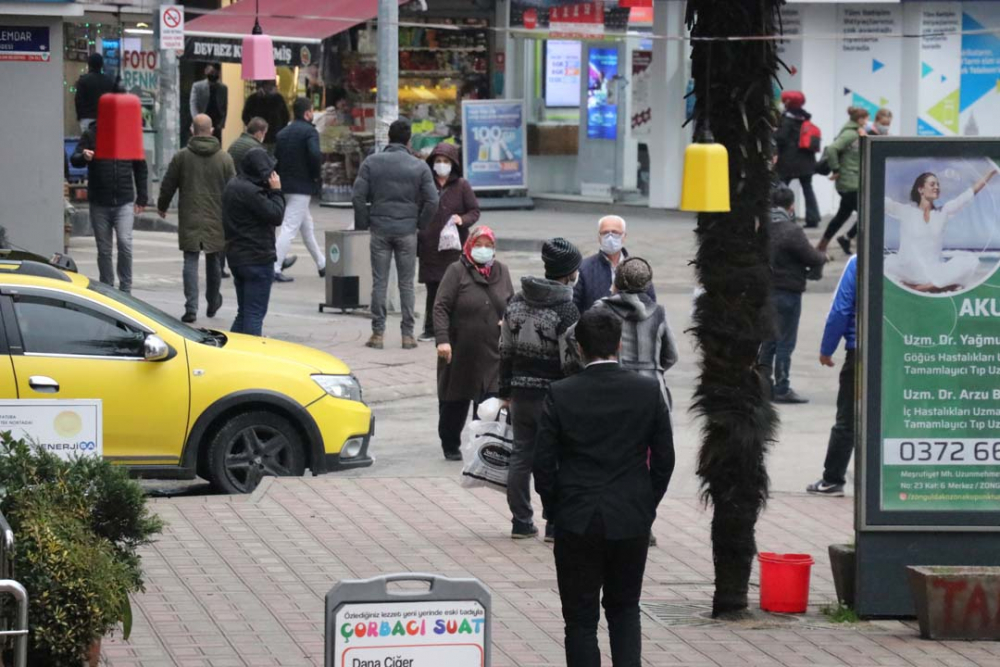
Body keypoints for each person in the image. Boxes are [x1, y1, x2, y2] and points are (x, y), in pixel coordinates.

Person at [535, 307, 674, 667]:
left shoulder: (561, 393)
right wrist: (646, 502)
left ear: (579, 348)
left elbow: (543, 463)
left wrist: (556, 508)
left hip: (577, 516)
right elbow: (664, 459)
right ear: (619, 345)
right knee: (625, 609)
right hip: (631, 515)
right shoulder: (646, 391)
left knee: (580, 619)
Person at [499, 238, 582, 540]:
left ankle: (521, 522)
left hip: (520, 395)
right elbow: (571, 360)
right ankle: (555, 524)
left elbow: (505, 350)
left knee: (521, 456)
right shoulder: (566, 310)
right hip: (554, 397)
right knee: (557, 460)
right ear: (568, 272)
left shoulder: (517, 302)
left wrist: (505, 391)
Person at [352, 119, 439, 350]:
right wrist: (420, 223)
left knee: (379, 283)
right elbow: (433, 200)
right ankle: (408, 335)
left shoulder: (371, 162)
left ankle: (378, 334)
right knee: (406, 284)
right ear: (409, 140)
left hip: (379, 229)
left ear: (388, 137)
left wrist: (364, 224)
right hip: (407, 230)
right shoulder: (419, 166)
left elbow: (358, 197)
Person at [433, 226, 514, 460]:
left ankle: (482, 444)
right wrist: (442, 340)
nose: (483, 250)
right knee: (454, 401)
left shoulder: (502, 271)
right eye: (479, 245)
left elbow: (511, 304)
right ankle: (450, 444)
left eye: (489, 246)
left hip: (492, 351)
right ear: (469, 245)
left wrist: (507, 321)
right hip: (460, 350)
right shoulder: (456, 271)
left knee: (489, 403)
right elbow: (441, 306)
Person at [567, 257, 678, 406]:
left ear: (617, 282)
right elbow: (671, 356)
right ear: (646, 284)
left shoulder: (603, 307)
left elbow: (571, 335)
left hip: (612, 386)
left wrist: (590, 363)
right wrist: (652, 367)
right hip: (653, 389)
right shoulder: (659, 313)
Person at [157, 114, 236, 323]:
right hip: (216, 216)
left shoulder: (182, 156)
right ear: (211, 131)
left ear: (192, 130)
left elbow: (168, 184)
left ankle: (191, 307)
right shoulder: (224, 158)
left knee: (190, 259)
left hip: (190, 215)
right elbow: (233, 189)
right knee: (214, 260)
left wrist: (162, 206)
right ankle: (212, 301)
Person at [759, 186, 828, 404]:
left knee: (768, 340)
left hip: (767, 292)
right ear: (791, 206)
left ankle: (762, 386)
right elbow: (811, 257)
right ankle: (782, 387)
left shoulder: (763, 228)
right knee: (785, 342)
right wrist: (823, 257)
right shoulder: (791, 230)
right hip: (788, 293)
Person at [884, 168, 998, 292]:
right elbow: (883, 201)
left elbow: (969, 194)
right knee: (890, 263)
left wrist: (992, 172)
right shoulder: (906, 211)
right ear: (921, 189)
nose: (937, 187)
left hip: (934, 272)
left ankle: (920, 288)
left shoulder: (943, 211)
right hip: (909, 271)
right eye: (932, 184)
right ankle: (935, 287)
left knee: (971, 261)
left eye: (938, 184)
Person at [70, 120, 149, 294]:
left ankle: (125, 289)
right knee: (104, 249)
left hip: (124, 201)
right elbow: (74, 159)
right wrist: (84, 156)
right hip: (99, 202)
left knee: (124, 242)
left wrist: (142, 197)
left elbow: (140, 168)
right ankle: (107, 288)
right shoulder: (91, 135)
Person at [418, 142, 481, 342]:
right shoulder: (426, 183)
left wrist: (462, 220)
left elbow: (474, 211)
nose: (441, 165)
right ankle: (430, 329)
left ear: (453, 164)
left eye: (445, 161)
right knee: (433, 290)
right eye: (438, 161)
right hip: (430, 246)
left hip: (454, 248)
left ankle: (453, 328)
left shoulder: (462, 185)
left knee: (454, 289)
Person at [807, 256, 857, 496]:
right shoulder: (910, 262)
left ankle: (833, 478)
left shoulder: (859, 262)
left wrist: (827, 349)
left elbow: (841, 309)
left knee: (848, 417)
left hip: (861, 353)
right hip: (903, 352)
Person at [222, 149, 286, 336]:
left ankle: (231, 354)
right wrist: (276, 191)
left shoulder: (233, 185)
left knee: (244, 313)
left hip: (237, 256)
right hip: (257, 258)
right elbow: (276, 215)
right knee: (254, 314)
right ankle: (251, 356)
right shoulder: (252, 192)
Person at [273, 97, 326, 283]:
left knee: (307, 227)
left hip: (285, 185)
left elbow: (276, 159)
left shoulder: (283, 133)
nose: (313, 114)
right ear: (307, 113)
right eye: (312, 110)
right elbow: (314, 155)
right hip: (302, 186)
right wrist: (316, 175)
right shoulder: (310, 132)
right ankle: (275, 266)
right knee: (289, 227)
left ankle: (322, 264)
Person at [574, 215, 656, 314]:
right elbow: (575, 308)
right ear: (599, 237)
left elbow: (651, 306)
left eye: (615, 232)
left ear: (624, 236)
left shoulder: (638, 269)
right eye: (605, 233)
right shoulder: (584, 269)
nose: (610, 237)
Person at [819, 106, 869, 255]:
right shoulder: (850, 134)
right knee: (868, 214)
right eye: (866, 119)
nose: (867, 122)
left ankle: (822, 245)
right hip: (849, 183)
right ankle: (848, 239)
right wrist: (836, 169)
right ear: (860, 120)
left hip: (851, 181)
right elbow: (832, 149)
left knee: (842, 216)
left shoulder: (856, 133)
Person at [774, 91, 821, 228]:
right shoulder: (805, 117)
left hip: (788, 162)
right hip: (806, 161)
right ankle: (813, 218)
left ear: (788, 102)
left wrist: (773, 132)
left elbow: (780, 138)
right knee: (808, 190)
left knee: (781, 190)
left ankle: (781, 217)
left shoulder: (787, 119)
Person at [242, 80, 290, 151]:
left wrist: (252, 128)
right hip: (272, 136)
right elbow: (286, 117)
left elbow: (245, 116)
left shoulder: (253, 99)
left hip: (259, 136)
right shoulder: (278, 98)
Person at [74, 53, 115, 133]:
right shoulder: (109, 81)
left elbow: (78, 100)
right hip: (104, 119)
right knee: (103, 143)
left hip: (87, 118)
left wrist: (80, 116)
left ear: (89, 65)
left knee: (88, 143)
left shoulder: (83, 80)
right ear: (102, 65)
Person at [190, 63, 228, 142]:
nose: (213, 74)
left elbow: (224, 107)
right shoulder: (197, 86)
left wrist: (221, 124)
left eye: (215, 72)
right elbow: (193, 104)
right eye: (211, 72)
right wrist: (198, 120)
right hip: (202, 122)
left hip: (216, 124)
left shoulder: (223, 88)